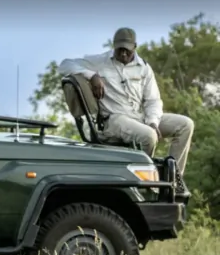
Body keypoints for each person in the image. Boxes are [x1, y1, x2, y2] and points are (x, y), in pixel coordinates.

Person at [59, 27, 193, 194]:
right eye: (119, 49)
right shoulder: (100, 61)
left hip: (139, 117)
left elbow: (153, 101)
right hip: (114, 119)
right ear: (114, 46)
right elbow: (65, 65)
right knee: (148, 136)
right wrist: (92, 76)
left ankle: (173, 180)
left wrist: (153, 121)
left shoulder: (144, 68)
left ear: (134, 47)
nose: (123, 54)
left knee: (185, 125)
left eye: (127, 50)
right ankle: (146, 185)